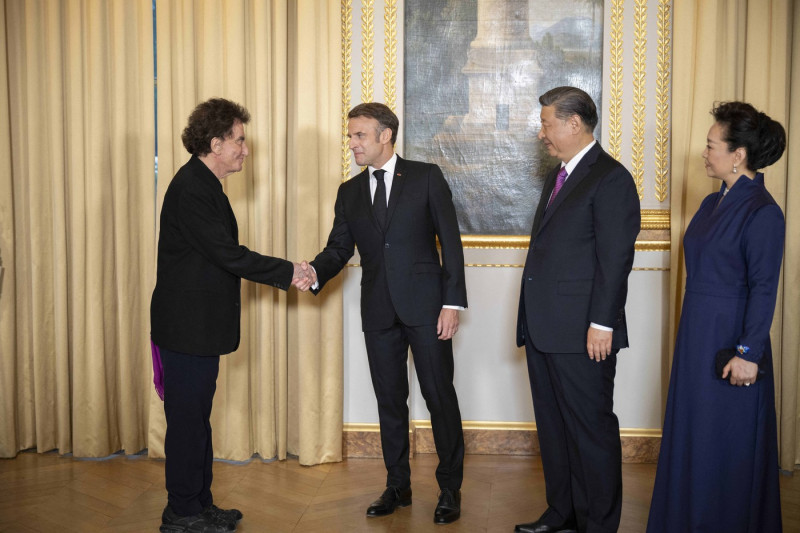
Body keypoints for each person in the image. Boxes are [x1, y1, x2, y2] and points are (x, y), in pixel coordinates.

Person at [150, 98, 312, 533]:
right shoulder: (192, 188)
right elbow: (228, 255)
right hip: (186, 329)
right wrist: (289, 271)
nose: (245, 149)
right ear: (216, 143)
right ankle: (181, 513)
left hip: (197, 328)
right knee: (187, 424)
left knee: (197, 420)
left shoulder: (204, 185)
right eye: (239, 141)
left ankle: (199, 504)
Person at [306, 102, 467, 524]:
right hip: (378, 311)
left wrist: (452, 303)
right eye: (350, 135)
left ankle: (450, 487)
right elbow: (339, 249)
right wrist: (312, 272)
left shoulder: (427, 177)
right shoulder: (349, 192)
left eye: (359, 135)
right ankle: (398, 485)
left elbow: (451, 243)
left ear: (385, 135)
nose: (352, 143)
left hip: (428, 309)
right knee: (389, 401)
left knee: (439, 396)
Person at [647, 102, 786, 532]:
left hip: (733, 342)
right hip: (697, 335)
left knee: (726, 441)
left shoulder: (763, 211)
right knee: (695, 437)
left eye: (711, 146)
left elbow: (764, 288)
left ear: (738, 154)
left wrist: (748, 352)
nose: (704, 153)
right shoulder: (711, 204)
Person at [515, 86, 641, 533]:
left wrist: (601, 324)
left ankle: (598, 525)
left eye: (547, 123)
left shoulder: (611, 178)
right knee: (554, 430)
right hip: (545, 328)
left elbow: (615, 261)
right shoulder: (558, 176)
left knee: (591, 434)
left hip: (585, 332)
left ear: (573, 124)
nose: (541, 132)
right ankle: (562, 514)